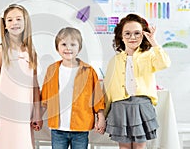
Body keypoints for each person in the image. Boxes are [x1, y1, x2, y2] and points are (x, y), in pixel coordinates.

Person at [0, 4, 43, 149]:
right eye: (10, 20)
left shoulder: (30, 51)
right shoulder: (0, 50)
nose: (15, 23)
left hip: (24, 112)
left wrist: (37, 114)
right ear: (5, 25)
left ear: (25, 22)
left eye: (18, 19)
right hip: (4, 112)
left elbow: (35, 86)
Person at [104, 14, 171, 149]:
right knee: (124, 147)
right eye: (127, 33)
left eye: (137, 33)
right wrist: (103, 114)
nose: (132, 37)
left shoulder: (149, 55)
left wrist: (153, 41)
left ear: (143, 35)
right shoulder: (115, 60)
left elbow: (164, 63)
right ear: (121, 36)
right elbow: (108, 89)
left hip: (142, 105)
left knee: (140, 145)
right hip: (120, 107)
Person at [41, 27, 106, 149]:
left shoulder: (89, 71)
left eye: (73, 44)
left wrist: (101, 117)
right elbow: (45, 98)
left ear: (79, 48)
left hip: (81, 128)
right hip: (58, 129)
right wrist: (37, 117)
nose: (68, 48)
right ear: (57, 47)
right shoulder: (52, 70)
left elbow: (97, 98)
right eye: (64, 44)